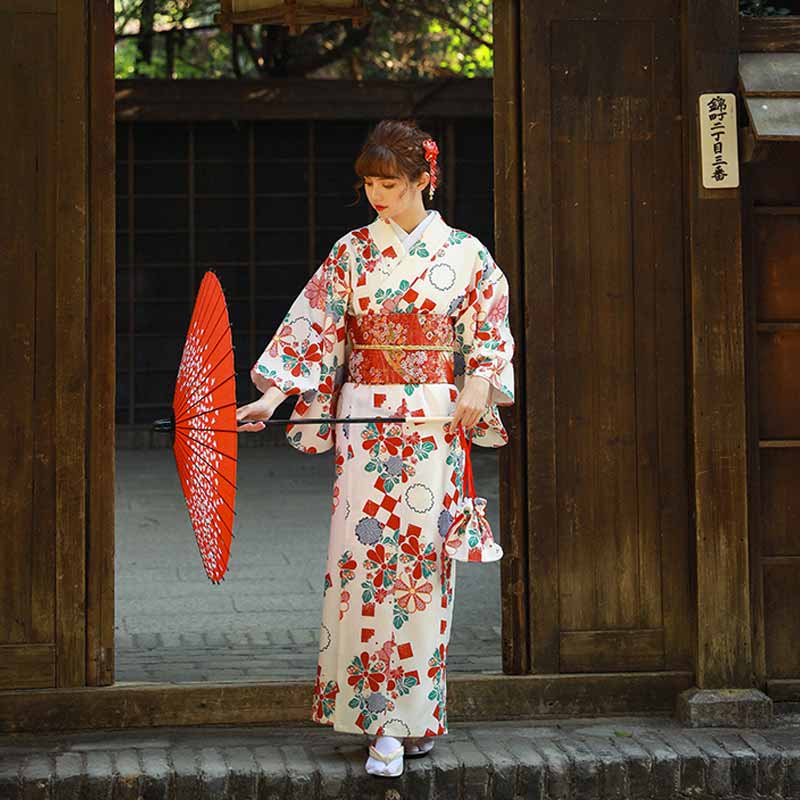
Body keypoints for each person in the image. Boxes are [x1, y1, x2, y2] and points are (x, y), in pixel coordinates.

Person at [236, 119, 514, 778]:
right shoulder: (351, 253)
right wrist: (271, 399)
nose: (377, 196)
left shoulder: (467, 255)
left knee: (421, 571)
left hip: (432, 425)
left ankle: (409, 716)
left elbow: (491, 332)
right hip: (366, 426)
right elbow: (313, 328)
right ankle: (374, 718)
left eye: (390, 183)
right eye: (368, 184)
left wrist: (477, 380)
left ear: (425, 179)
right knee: (364, 560)